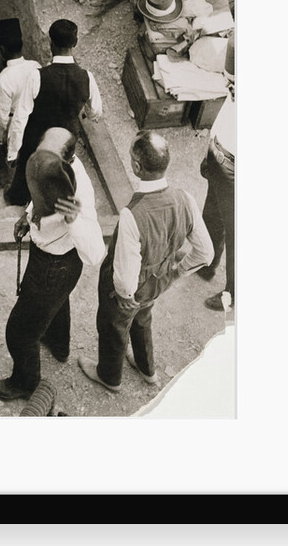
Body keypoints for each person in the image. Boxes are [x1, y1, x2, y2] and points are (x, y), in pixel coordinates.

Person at [77, 130, 214, 392]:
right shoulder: (185, 198)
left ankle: (109, 376)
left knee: (114, 327)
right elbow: (206, 252)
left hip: (132, 287)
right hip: (158, 280)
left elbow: (126, 273)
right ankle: (146, 368)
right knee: (142, 319)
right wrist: (175, 272)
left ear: (137, 166)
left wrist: (124, 293)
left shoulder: (133, 214)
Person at [0, 127, 106, 401]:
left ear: (68, 158)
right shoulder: (52, 169)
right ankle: (58, 345)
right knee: (57, 301)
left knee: (19, 333)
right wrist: (28, 217)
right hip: (51, 262)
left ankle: (25, 383)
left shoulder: (79, 196)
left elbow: (95, 253)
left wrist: (73, 220)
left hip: (56, 266)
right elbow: (41, 188)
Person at [4, 18, 103, 207]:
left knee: (28, 172)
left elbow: (20, 117)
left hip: (37, 139)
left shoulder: (37, 76)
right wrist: (86, 113)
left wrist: (13, 152)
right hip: (67, 141)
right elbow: (96, 112)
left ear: (51, 43)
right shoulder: (86, 77)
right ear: (74, 43)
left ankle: (19, 201)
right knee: (59, 171)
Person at [0, 19, 41, 193]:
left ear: (2, 50)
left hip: (14, 122)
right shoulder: (35, 66)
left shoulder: (4, 79)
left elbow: (0, 116)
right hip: (34, 119)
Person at [197, 32, 235, 312]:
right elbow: (226, 113)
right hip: (219, 161)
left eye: (232, 83)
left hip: (236, 171)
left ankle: (233, 294)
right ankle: (207, 263)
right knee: (211, 215)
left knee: (237, 236)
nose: (227, 86)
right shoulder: (234, 91)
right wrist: (210, 152)